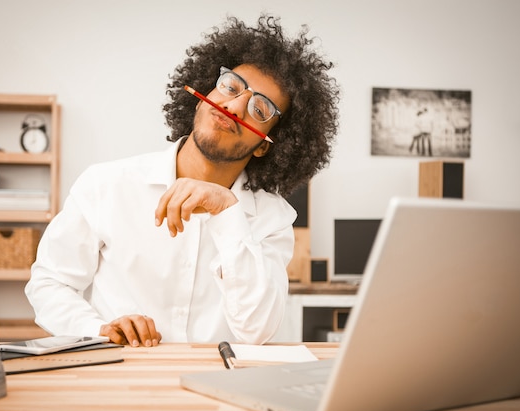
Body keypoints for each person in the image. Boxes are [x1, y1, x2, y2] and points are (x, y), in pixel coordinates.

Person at [24, 14, 339, 347]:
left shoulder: (274, 220)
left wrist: (228, 213)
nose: (234, 106)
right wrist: (97, 328)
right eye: (231, 87)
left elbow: (257, 331)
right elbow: (48, 283)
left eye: (260, 109)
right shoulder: (106, 184)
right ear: (205, 90)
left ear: (266, 144)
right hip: (118, 377)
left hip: (217, 386)